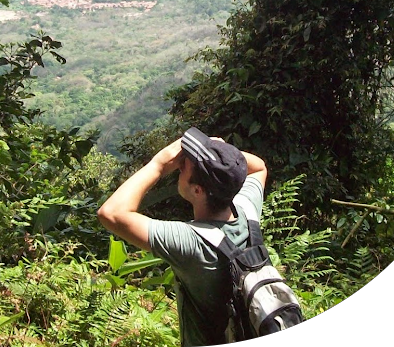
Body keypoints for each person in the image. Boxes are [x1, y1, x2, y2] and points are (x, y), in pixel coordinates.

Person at [97, 127, 268, 346]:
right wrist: (222, 155)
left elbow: (111, 213)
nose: (181, 163)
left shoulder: (192, 242)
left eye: (186, 165)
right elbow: (258, 168)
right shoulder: (247, 212)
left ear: (198, 190)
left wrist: (158, 164)